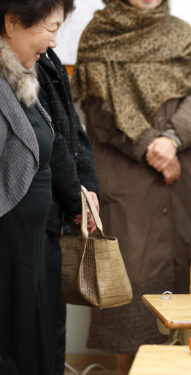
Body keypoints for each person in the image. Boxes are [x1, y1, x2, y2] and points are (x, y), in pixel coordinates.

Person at [71, 0, 191, 372]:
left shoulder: (181, 34)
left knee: (186, 275)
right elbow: (98, 110)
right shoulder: (99, 36)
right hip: (126, 176)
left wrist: (172, 140)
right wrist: (151, 144)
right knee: (131, 285)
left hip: (179, 176)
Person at [0, 1, 74, 374]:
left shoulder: (23, 73)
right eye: (50, 27)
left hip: (33, 241)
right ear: (13, 22)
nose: (54, 42)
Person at [37, 47, 100, 375]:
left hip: (61, 208)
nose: (53, 34)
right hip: (40, 211)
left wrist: (89, 190)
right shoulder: (22, 62)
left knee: (53, 321)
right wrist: (77, 199)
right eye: (49, 24)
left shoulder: (49, 56)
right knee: (38, 326)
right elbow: (54, 141)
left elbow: (75, 131)